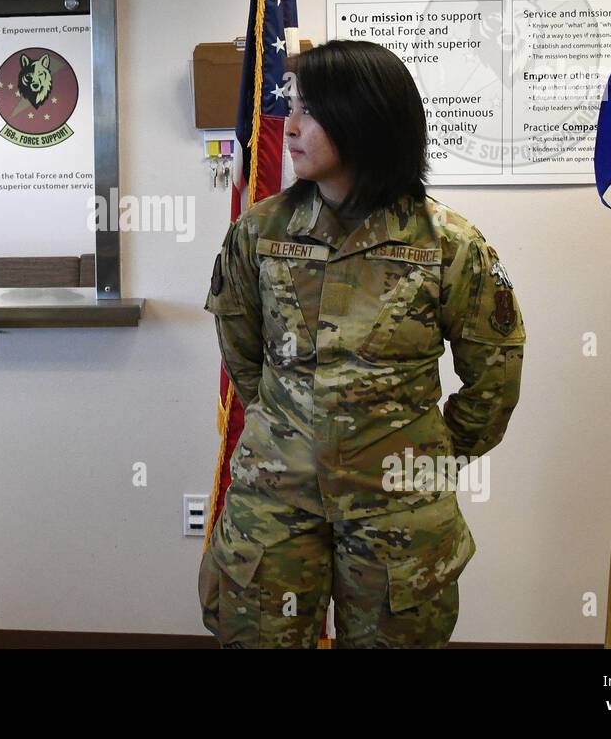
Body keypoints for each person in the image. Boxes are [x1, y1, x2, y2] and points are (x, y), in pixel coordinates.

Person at [199, 39, 525, 648]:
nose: (289, 127)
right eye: (289, 108)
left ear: (365, 119)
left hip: (397, 510)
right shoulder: (261, 232)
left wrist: (421, 454)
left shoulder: (448, 245)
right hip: (275, 498)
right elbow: (241, 352)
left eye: (309, 111)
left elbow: (494, 376)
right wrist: (295, 435)